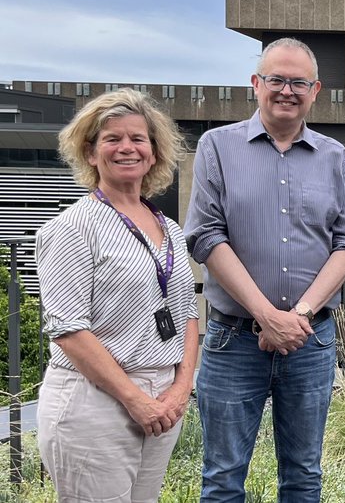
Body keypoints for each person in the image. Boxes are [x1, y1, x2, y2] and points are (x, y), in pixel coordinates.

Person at [184, 37, 345, 501]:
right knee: (223, 479)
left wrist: (297, 316)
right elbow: (206, 236)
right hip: (233, 340)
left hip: (311, 341)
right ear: (255, 84)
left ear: (316, 90)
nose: (287, 90)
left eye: (298, 82)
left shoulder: (333, 156)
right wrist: (266, 314)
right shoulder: (217, 147)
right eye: (276, 79)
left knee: (304, 476)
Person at [35, 88, 199, 503]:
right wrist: (136, 400)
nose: (127, 148)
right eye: (112, 139)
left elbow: (188, 316)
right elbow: (68, 329)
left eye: (137, 138)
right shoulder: (74, 227)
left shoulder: (169, 229)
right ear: (90, 154)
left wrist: (180, 390)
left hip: (163, 400)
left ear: (154, 151)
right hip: (98, 402)